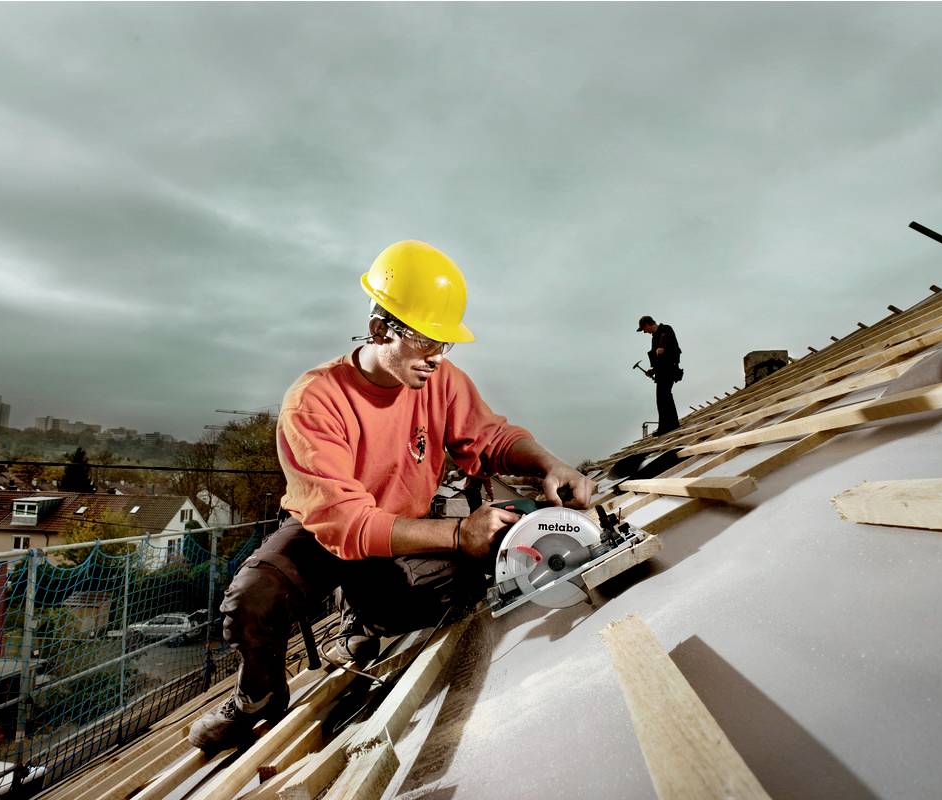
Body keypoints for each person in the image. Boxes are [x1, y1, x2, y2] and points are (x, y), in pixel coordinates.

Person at [188, 240, 595, 751]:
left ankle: (366, 614)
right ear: (380, 329)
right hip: (322, 534)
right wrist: (454, 533)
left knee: (448, 592)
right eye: (427, 342)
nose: (437, 359)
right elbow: (347, 523)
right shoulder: (314, 401)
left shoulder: (440, 381)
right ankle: (257, 698)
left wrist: (549, 464)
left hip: (400, 529)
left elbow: (490, 437)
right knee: (251, 603)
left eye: (446, 345)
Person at [636, 315, 682, 436]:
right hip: (662, 371)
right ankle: (669, 425)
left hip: (670, 369)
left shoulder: (666, 329)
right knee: (662, 397)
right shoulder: (654, 338)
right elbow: (658, 358)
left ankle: (668, 426)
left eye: (644, 329)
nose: (645, 332)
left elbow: (667, 341)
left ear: (647, 324)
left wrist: (662, 346)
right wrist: (653, 370)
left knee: (664, 396)